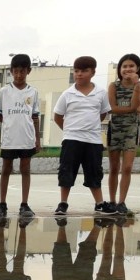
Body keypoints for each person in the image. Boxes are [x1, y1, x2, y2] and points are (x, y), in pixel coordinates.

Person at [53, 56, 116, 216]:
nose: (79, 74)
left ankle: (99, 204)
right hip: (71, 140)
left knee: (94, 172)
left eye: (84, 71)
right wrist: (69, 130)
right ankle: (63, 203)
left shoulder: (101, 93)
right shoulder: (67, 94)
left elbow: (103, 113)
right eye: (76, 71)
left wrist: (90, 127)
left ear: (93, 72)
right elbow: (57, 116)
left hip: (93, 141)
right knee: (66, 172)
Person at [0, 54, 41, 218]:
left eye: (22, 71)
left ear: (28, 71)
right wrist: (12, 123)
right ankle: (2, 204)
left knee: (25, 169)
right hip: (9, 139)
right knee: (6, 169)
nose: (19, 75)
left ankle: (24, 204)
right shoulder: (4, 91)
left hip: (27, 139)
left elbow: (35, 117)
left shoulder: (33, 92)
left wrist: (37, 140)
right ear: (11, 71)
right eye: (16, 71)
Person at [107, 54, 140, 216]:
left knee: (127, 167)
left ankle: (122, 202)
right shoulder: (113, 86)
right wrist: (135, 109)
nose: (128, 69)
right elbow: (113, 108)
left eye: (131, 66)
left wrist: (136, 86)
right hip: (115, 129)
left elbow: (135, 102)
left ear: (138, 68)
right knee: (114, 167)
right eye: (124, 66)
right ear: (119, 69)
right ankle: (112, 201)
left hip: (131, 130)